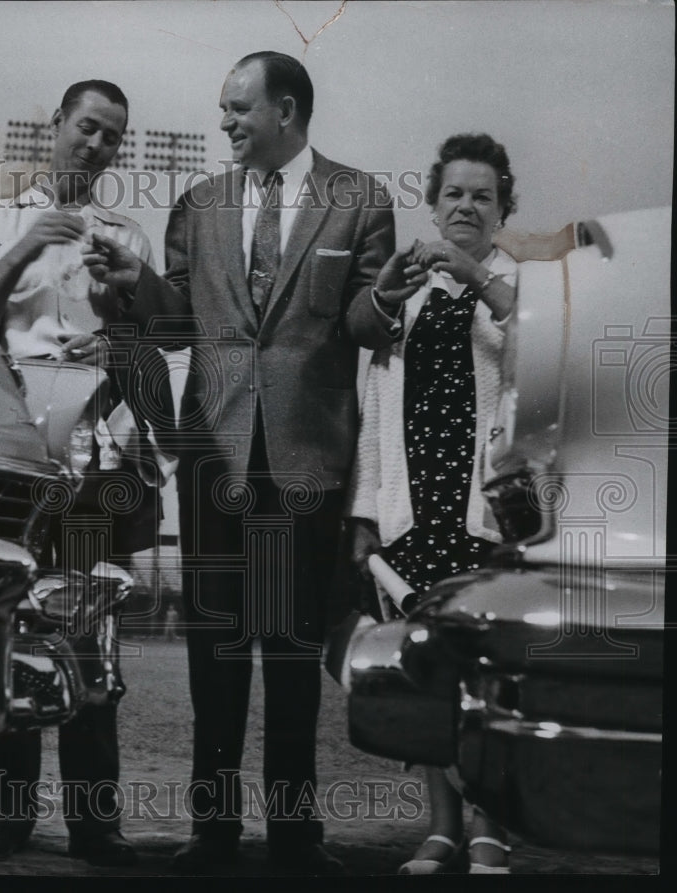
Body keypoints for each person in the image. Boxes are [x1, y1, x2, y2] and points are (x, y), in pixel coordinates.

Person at [84, 52, 409, 875]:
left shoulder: (361, 199)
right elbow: (176, 320)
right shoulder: (198, 205)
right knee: (216, 653)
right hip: (214, 458)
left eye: (237, 108)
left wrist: (387, 299)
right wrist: (136, 284)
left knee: (296, 653)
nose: (224, 121)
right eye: (224, 108)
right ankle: (214, 830)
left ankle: (297, 835)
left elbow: (367, 323)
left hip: (308, 460)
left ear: (286, 111)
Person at [0, 79, 173, 868]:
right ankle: (7, 816)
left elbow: (153, 347)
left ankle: (95, 820)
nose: (97, 145)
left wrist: (118, 345)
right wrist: (19, 250)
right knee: (10, 623)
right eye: (87, 127)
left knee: (84, 626)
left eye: (113, 135)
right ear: (55, 127)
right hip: (13, 443)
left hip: (91, 445)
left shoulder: (126, 236)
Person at [346, 132, 519, 874]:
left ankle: (491, 830)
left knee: (492, 680)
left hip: (488, 516)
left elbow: (538, 348)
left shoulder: (520, 283)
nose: (467, 207)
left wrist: (476, 276)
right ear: (433, 199)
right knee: (426, 678)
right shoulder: (407, 293)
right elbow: (375, 407)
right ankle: (442, 826)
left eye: (483, 195)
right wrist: (364, 514)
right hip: (415, 509)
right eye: (454, 193)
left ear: (503, 206)